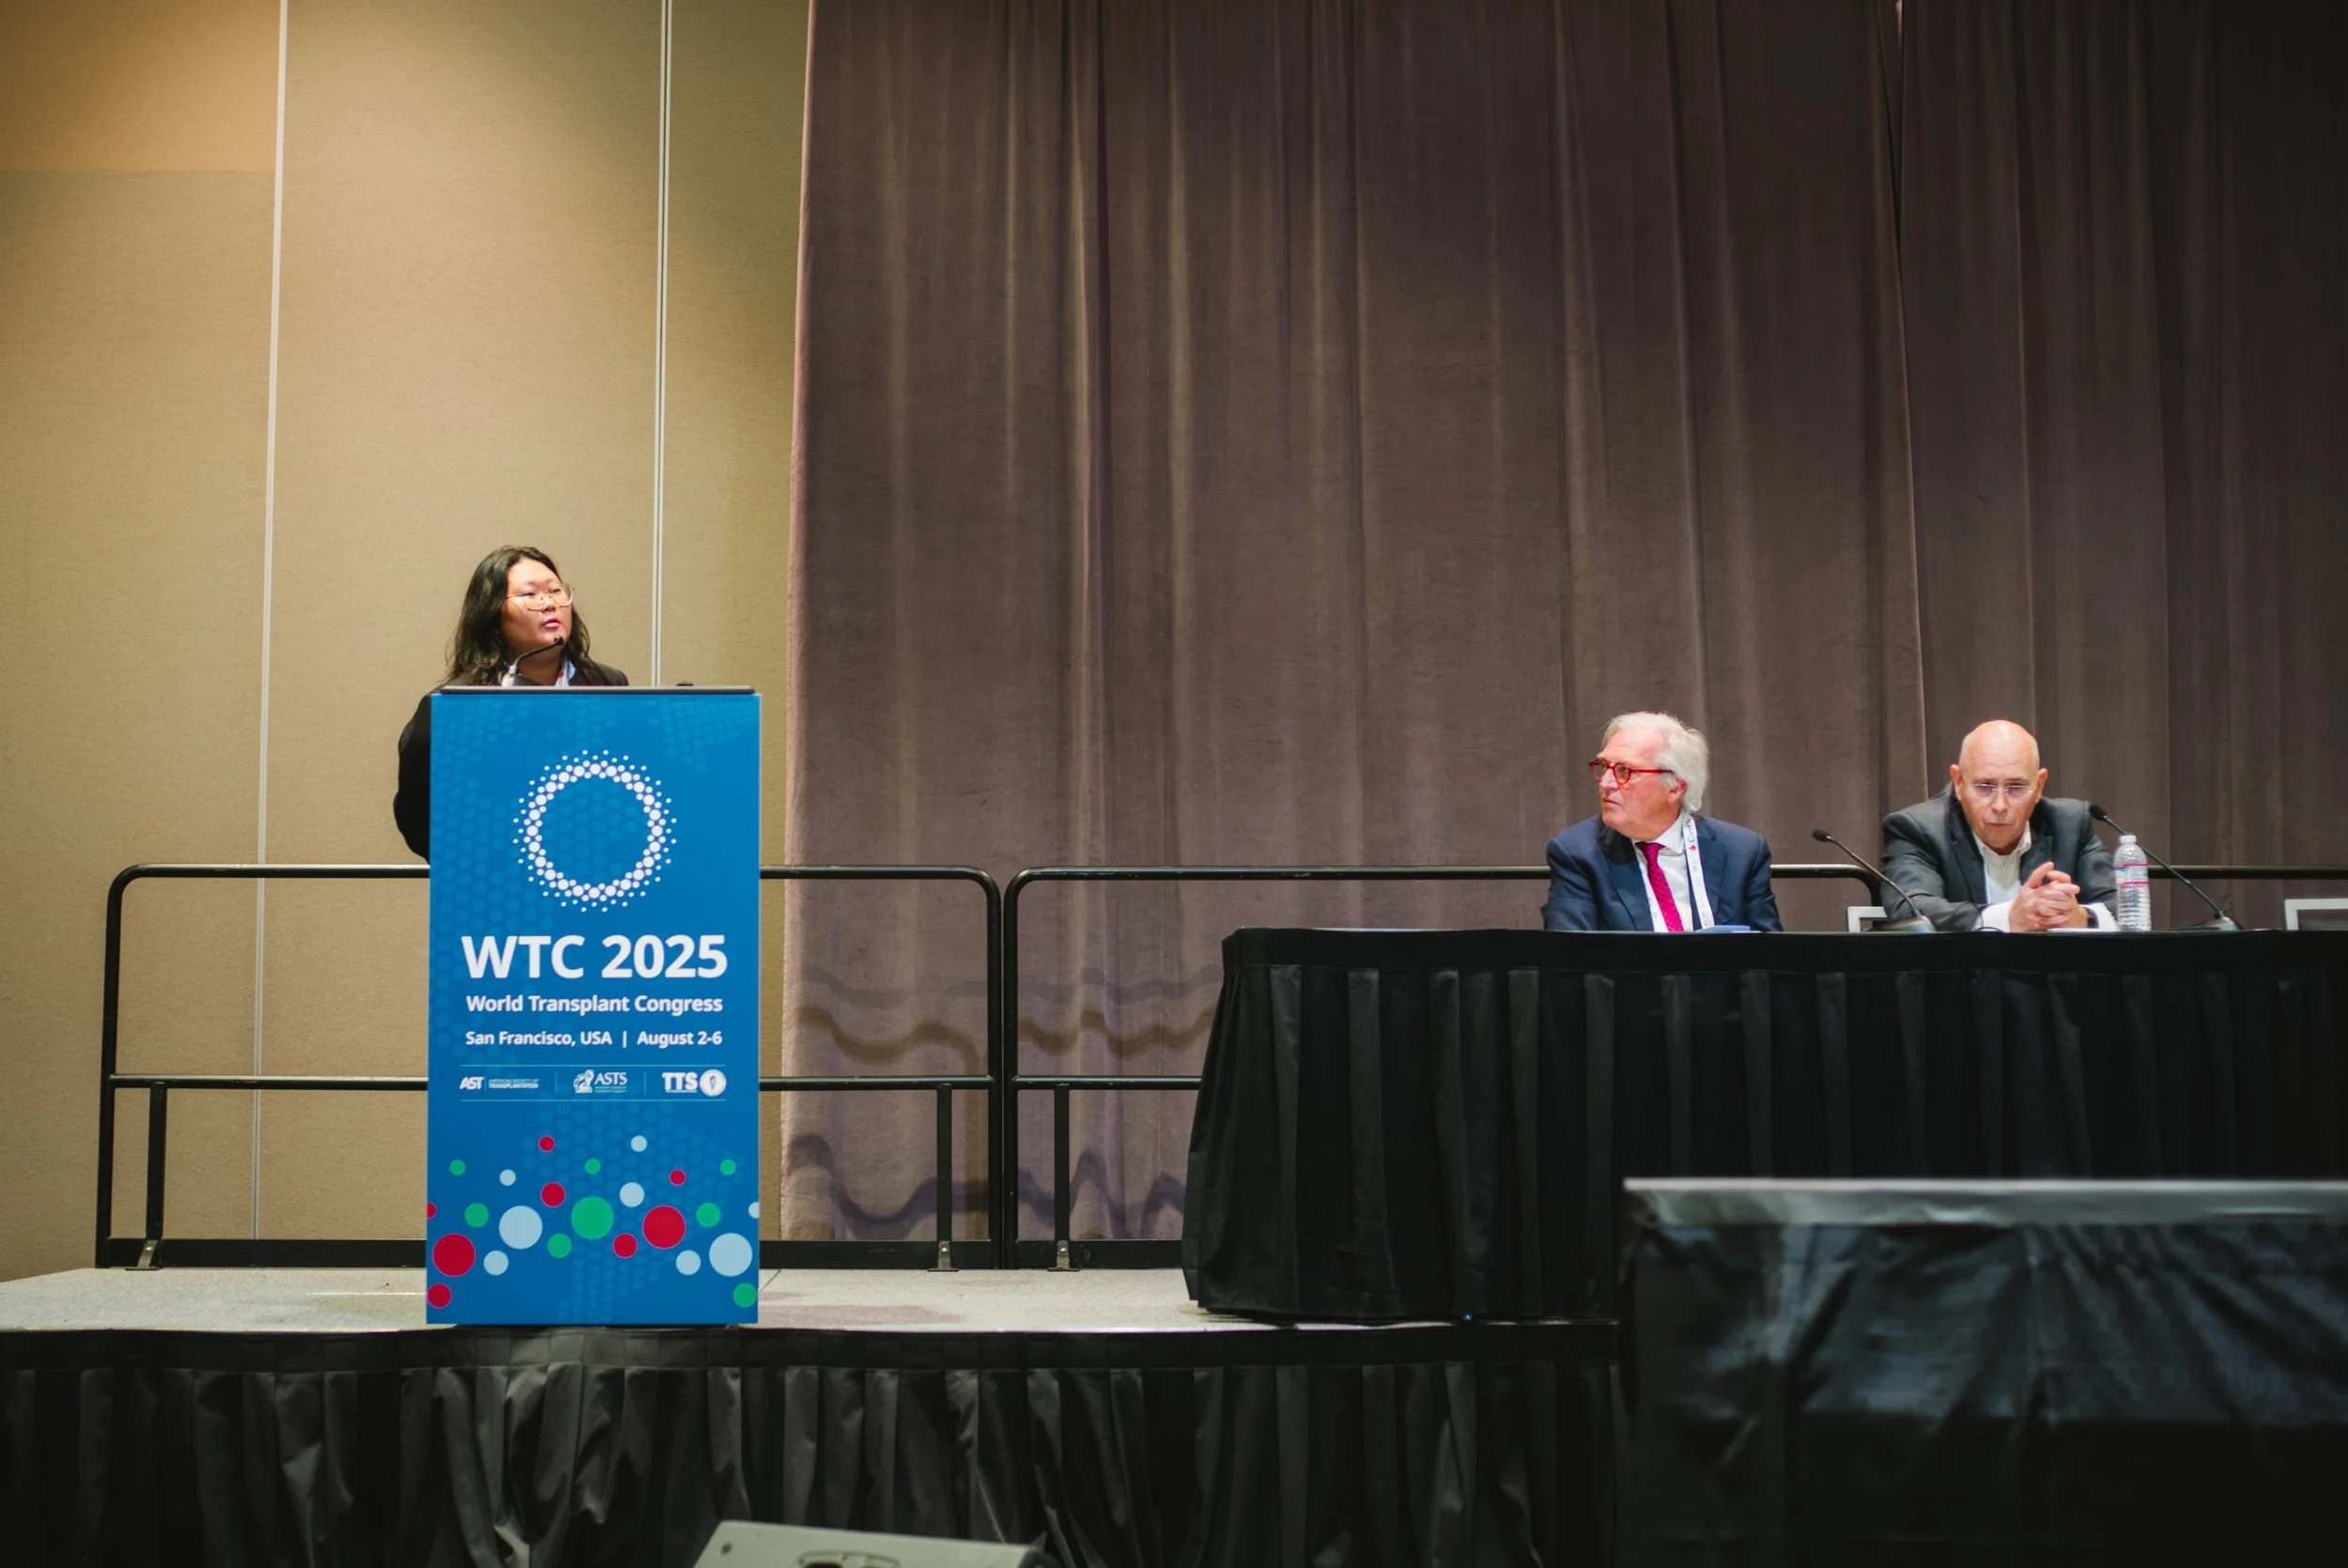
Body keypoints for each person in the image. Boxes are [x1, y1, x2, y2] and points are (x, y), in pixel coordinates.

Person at [393, 546, 627, 858]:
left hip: (588, 864)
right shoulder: (457, 706)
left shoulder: (608, 685)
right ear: (492, 616)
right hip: (492, 867)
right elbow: (417, 817)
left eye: (555, 590)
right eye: (529, 595)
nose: (549, 603)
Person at [1540, 712, 1782, 931]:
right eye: (1604, 767)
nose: (1606, 783)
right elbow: (1571, 954)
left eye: (1625, 771)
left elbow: (1771, 956)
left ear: (1675, 786)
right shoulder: (1578, 853)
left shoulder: (1741, 852)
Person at [1879, 718, 2114, 932]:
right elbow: (1911, 909)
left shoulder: (2070, 824)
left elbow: (2123, 906)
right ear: (1959, 783)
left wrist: (2083, 917)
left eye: (2016, 787)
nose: (2000, 805)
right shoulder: (1918, 829)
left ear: (2039, 786)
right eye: (1984, 786)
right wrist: (2006, 918)